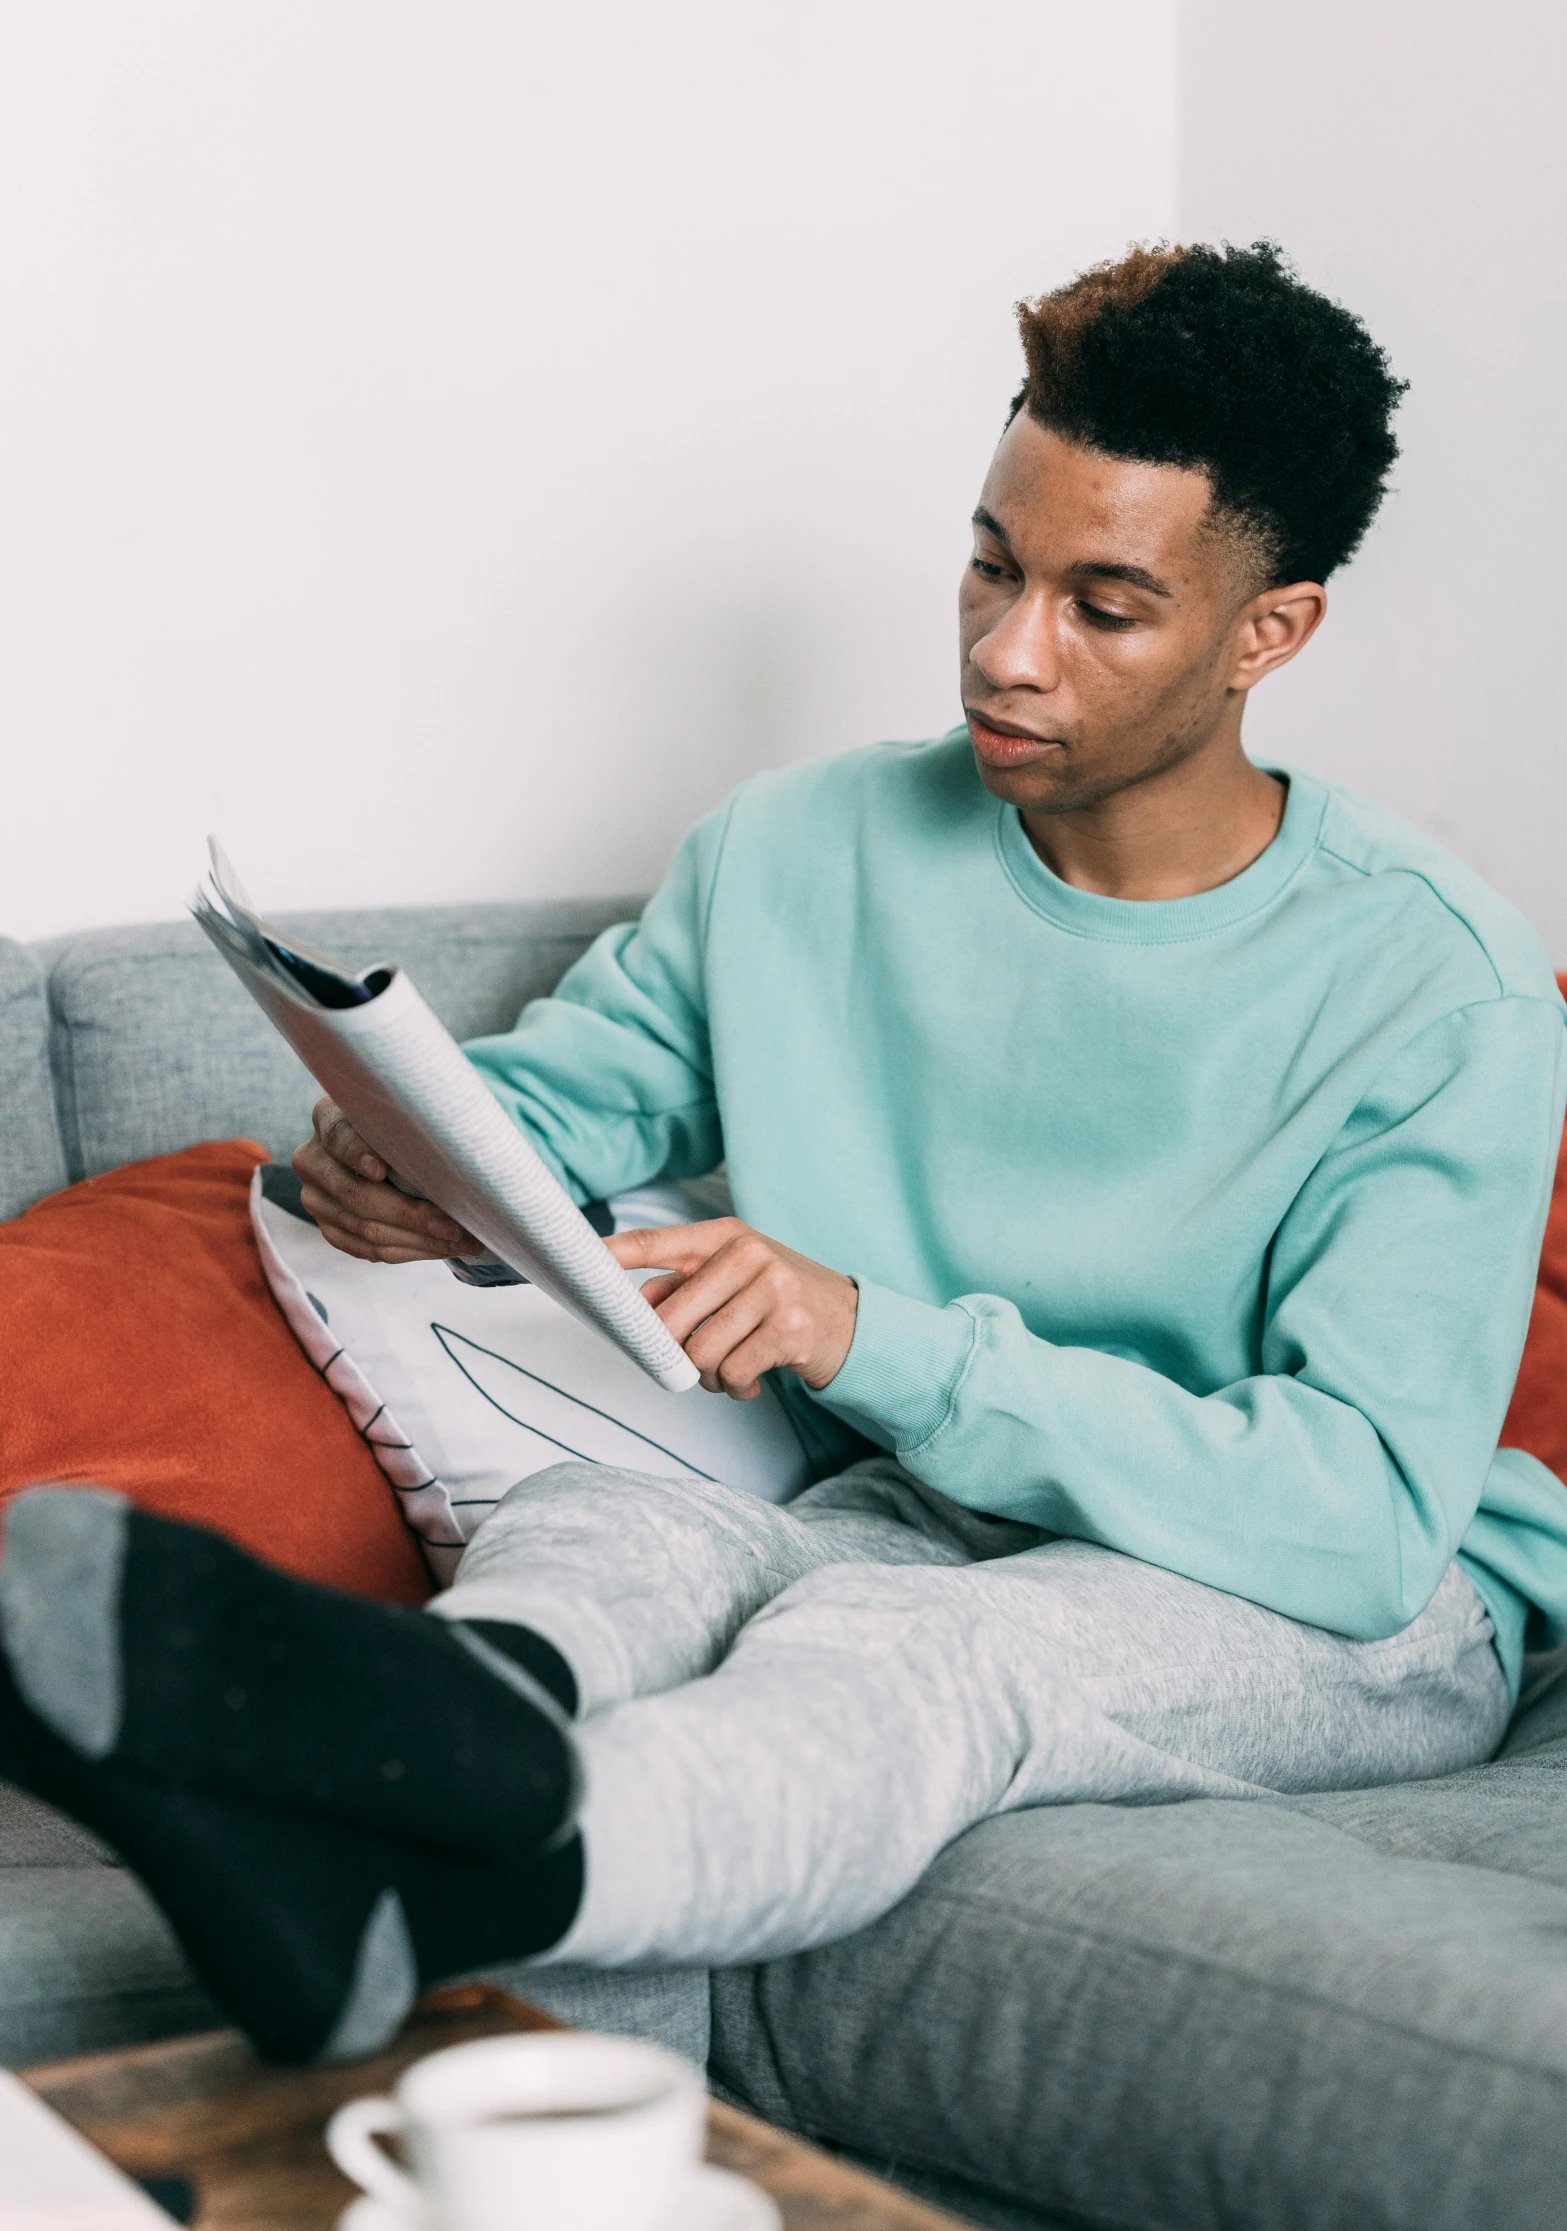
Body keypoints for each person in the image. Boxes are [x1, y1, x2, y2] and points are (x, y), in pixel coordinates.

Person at [5, 241, 1566, 2065]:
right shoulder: (800, 845)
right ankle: (371, 1753)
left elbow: (1357, 1513)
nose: (1005, 647)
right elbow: (590, 1086)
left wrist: (866, 1334)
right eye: (989, 563)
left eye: (1102, 604)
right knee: (621, 1528)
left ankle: (428, 1890)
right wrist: (420, 1144)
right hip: (948, 1502)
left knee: (904, 1656)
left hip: (1350, 1595)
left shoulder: (1436, 989)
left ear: (1265, 632)